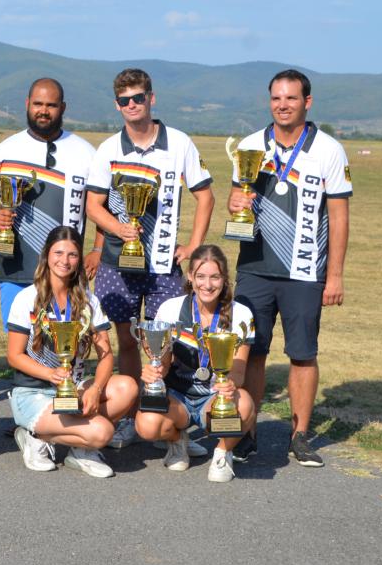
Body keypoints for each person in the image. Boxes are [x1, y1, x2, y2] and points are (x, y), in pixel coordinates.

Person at [227, 68, 352, 466]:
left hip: (304, 270)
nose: (283, 105)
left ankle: (300, 436)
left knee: (302, 354)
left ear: (307, 102)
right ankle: (247, 431)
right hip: (255, 266)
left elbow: (340, 217)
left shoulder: (329, 149)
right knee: (252, 351)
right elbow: (235, 197)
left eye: (291, 98)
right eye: (276, 98)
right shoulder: (251, 145)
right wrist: (235, 203)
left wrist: (334, 275)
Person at [85, 68, 214, 450]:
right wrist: (118, 228)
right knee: (125, 341)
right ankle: (128, 417)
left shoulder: (179, 143)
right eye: (124, 100)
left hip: (163, 265)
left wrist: (193, 247)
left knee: (164, 345)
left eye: (138, 98)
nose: (132, 105)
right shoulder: (109, 148)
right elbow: (93, 204)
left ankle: (164, 422)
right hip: (117, 262)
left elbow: (205, 196)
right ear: (117, 105)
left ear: (151, 99)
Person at [6, 226, 138, 478]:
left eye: (72, 254)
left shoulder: (88, 300)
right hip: (33, 392)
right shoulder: (26, 298)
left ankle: (80, 450)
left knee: (128, 387)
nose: (64, 261)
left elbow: (106, 355)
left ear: (79, 259)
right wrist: (50, 374)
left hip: (73, 387)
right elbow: (14, 356)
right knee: (102, 432)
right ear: (46, 255)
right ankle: (35, 437)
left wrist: (95, 388)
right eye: (58, 253)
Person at [0, 78, 96, 329]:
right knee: (19, 339)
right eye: (38, 104)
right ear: (27, 104)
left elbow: (101, 207)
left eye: (51, 105)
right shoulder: (6, 149)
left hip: (67, 271)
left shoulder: (86, 152)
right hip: (16, 269)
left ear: (63, 108)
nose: (43, 110)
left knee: (65, 340)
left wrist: (97, 250)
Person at [134, 245, 256, 483]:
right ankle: (177, 440)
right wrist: (153, 371)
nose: (207, 285)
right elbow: (163, 362)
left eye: (215, 277)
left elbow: (239, 371)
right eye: (201, 276)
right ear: (190, 276)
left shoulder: (241, 314)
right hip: (178, 397)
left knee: (245, 405)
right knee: (147, 425)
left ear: (225, 279)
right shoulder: (170, 308)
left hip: (214, 398)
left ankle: (222, 453)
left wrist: (230, 384)